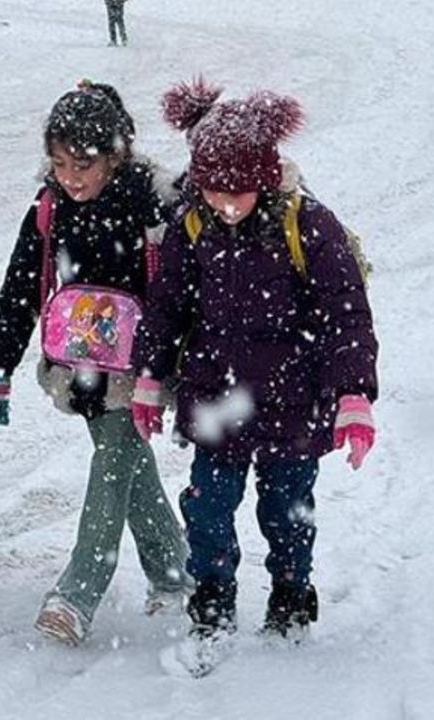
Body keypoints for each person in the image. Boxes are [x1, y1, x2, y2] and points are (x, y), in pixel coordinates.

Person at [131, 79, 379, 648]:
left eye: (237, 192)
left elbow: (346, 315)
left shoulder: (309, 226)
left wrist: (353, 396)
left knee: (287, 512)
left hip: (294, 405)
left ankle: (291, 596)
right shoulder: (192, 226)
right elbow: (166, 305)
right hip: (215, 403)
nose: (224, 203)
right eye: (213, 189)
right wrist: (149, 377)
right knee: (208, 512)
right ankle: (212, 600)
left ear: (264, 180)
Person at [0, 81, 192, 645]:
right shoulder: (50, 207)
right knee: (124, 461)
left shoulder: (153, 201)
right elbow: (21, 284)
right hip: (79, 362)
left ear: (116, 155)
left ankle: (77, 592)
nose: (70, 177)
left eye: (82, 164)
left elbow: (189, 282)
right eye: (58, 163)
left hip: (140, 363)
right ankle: (174, 575)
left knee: (115, 457)